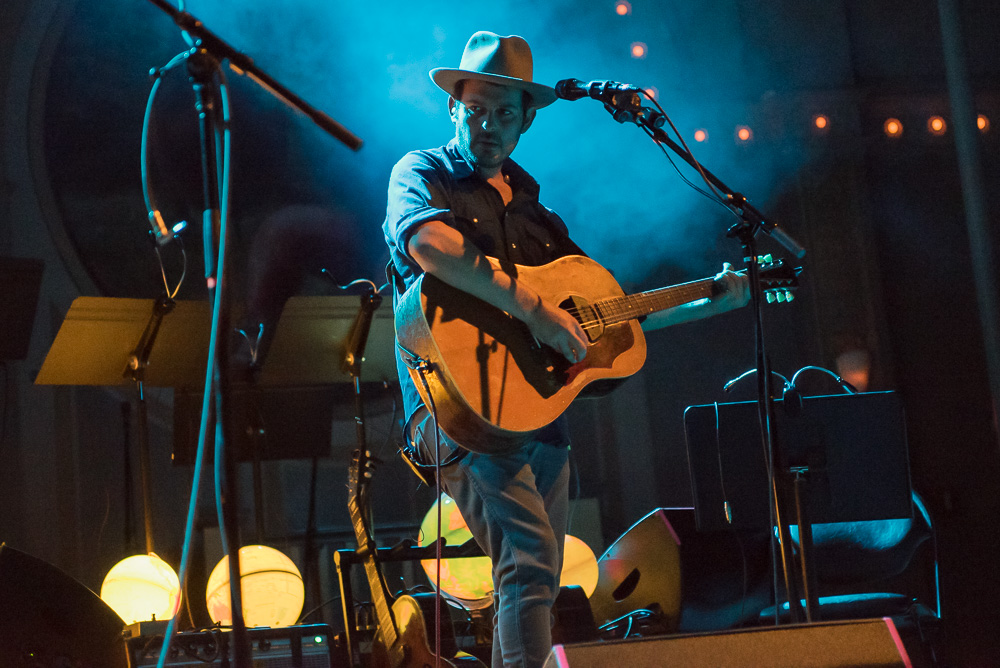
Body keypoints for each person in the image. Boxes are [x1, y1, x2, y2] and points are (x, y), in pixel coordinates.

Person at [383, 31, 749, 668]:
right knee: (528, 561)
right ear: (452, 108)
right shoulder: (422, 173)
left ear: (527, 120)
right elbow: (428, 248)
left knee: (533, 576)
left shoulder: (538, 215)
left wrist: (703, 304)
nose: (488, 126)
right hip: (456, 408)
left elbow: (593, 325)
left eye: (504, 113)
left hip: (536, 411)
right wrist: (530, 307)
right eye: (476, 110)